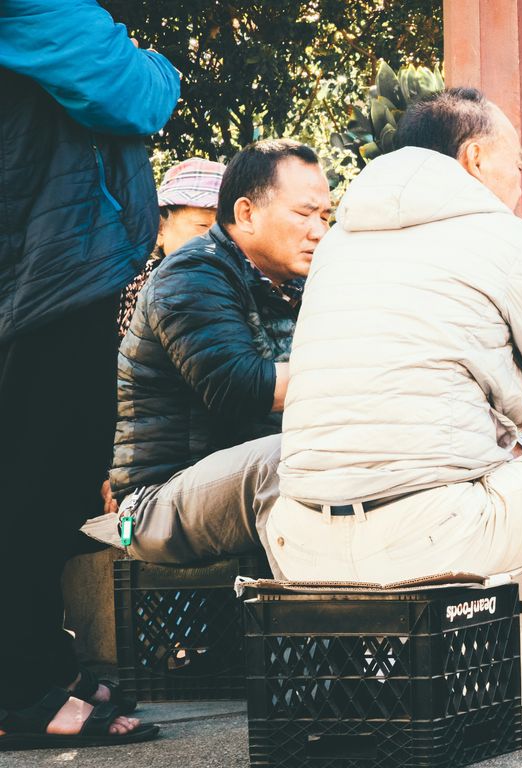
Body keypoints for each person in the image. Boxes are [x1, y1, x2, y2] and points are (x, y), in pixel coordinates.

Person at [270, 87, 522, 747]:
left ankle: (369, 688)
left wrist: (518, 415)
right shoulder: (502, 238)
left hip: (298, 551)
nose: (521, 180)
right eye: (518, 163)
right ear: (477, 156)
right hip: (427, 540)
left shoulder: (340, 243)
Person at [0, 0, 178, 749]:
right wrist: (150, 60)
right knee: (34, 486)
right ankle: (26, 692)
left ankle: (42, 671)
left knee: (34, 481)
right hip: (48, 274)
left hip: (40, 266)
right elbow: (138, 91)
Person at [90, 140, 329, 574]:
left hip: (235, 483)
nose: (319, 231)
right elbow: (240, 387)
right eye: (303, 213)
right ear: (246, 213)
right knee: (292, 460)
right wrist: (366, 377)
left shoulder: (295, 286)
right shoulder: (191, 273)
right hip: (154, 502)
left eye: (325, 216)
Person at [116, 158, 227, 337]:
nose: (218, 238)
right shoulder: (154, 285)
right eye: (202, 225)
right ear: (160, 229)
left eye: (225, 228)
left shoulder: (233, 282)